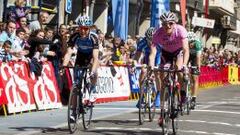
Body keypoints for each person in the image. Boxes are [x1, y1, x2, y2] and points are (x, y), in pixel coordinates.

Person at [149, 11, 189, 126]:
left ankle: (182, 93)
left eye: (170, 23)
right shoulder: (158, 33)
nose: (168, 26)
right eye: (165, 24)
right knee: (163, 80)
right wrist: (152, 66)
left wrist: (185, 65)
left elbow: (186, 49)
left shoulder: (180, 30)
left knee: (179, 68)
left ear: (174, 23)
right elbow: (153, 52)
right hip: (166, 53)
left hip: (178, 52)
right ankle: (162, 113)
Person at [62, 16, 99, 122]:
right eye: (81, 28)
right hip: (81, 56)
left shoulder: (94, 37)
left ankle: (93, 89)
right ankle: (74, 111)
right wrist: (64, 66)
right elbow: (69, 52)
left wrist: (92, 72)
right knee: (76, 86)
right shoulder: (75, 36)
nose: (83, 31)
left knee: (95, 69)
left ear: (89, 28)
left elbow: (96, 58)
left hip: (91, 56)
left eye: (86, 28)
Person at [134, 27, 161, 108]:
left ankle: (158, 95)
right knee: (143, 71)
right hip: (147, 57)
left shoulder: (160, 42)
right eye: (149, 39)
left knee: (158, 73)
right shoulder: (142, 42)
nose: (150, 42)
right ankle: (141, 95)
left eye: (152, 39)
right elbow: (137, 55)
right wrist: (135, 63)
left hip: (158, 58)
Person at [187, 31, 202, 109]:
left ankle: (193, 98)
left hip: (195, 56)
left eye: (191, 43)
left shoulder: (197, 43)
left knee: (195, 77)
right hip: (187, 55)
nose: (190, 44)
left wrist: (198, 67)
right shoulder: (184, 42)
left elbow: (198, 57)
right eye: (189, 43)